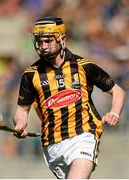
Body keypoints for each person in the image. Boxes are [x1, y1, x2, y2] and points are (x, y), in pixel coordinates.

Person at [13, 16, 126, 179]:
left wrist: (114, 112)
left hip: (84, 136)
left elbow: (117, 91)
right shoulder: (30, 75)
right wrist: (20, 124)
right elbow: (22, 110)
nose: (43, 46)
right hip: (52, 144)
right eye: (39, 41)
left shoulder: (83, 66)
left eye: (48, 41)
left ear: (62, 39)